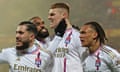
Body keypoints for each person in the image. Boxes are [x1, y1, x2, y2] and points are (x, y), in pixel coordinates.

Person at [0, 21, 67, 72]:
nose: (17, 36)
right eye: (16, 33)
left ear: (31, 36)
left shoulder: (46, 56)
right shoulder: (9, 52)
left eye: (21, 33)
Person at [48, 2, 85, 72]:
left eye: (52, 15)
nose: (49, 17)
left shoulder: (77, 36)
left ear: (64, 15)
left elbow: (87, 61)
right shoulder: (52, 39)